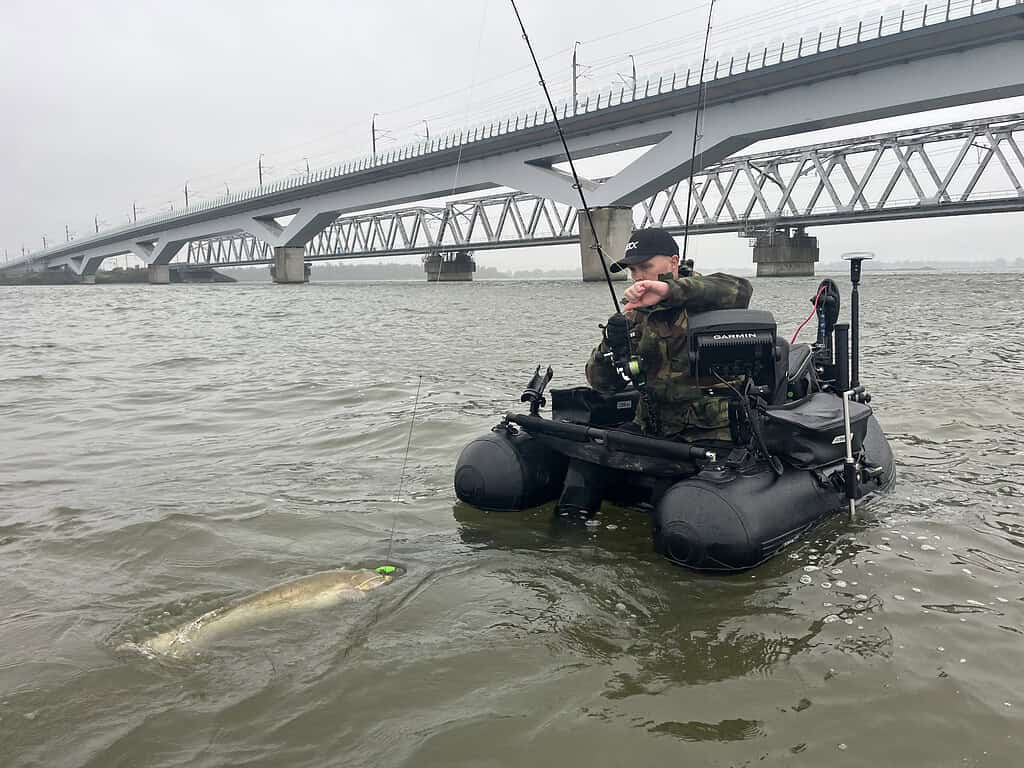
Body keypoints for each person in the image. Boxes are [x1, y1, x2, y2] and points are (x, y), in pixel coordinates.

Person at [585, 227, 753, 441]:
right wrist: (610, 344)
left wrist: (667, 291)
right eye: (633, 270)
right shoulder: (632, 314)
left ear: (674, 262)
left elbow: (742, 289)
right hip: (653, 427)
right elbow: (603, 384)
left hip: (709, 431)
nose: (638, 277)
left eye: (645, 267)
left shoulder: (706, 297)